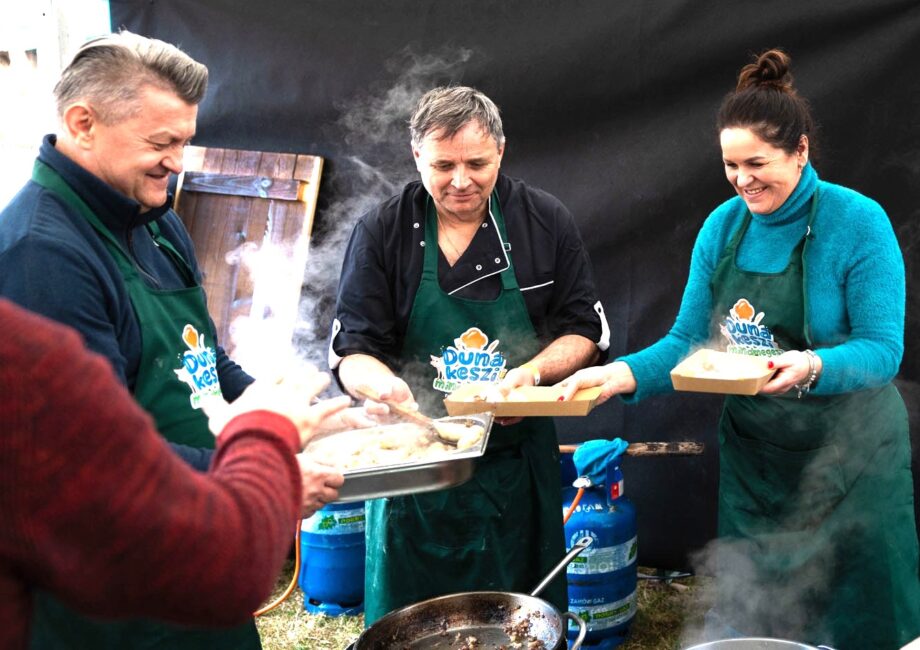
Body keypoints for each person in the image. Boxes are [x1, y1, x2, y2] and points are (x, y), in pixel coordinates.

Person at [560, 49, 920, 649]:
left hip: (852, 458)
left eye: (757, 163)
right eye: (731, 164)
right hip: (759, 461)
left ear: (800, 151)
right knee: (761, 613)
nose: (743, 179)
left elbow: (883, 351)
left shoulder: (858, 222)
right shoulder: (723, 227)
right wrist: (616, 375)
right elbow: (685, 342)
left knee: (863, 613)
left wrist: (811, 365)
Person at [0, 31, 342, 649]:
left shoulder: (155, 222)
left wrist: (292, 415)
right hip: (120, 602)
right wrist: (267, 467)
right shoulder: (40, 255)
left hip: (201, 563)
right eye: (161, 143)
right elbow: (95, 469)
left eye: (184, 140)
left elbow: (200, 362)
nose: (178, 162)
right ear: (83, 124)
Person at [329, 85, 610, 623]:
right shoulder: (383, 230)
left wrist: (531, 375)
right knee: (411, 626)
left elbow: (584, 330)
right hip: (416, 469)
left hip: (517, 464)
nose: (461, 181)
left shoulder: (543, 221)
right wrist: (380, 385)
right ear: (417, 156)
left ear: (501, 152)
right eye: (443, 165)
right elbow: (353, 349)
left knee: (518, 624)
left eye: (477, 164)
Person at [0, 298, 351, 650]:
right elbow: (227, 564)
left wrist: (307, 415)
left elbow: (203, 358)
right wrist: (267, 453)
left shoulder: (164, 250)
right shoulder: (24, 351)